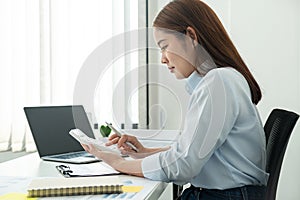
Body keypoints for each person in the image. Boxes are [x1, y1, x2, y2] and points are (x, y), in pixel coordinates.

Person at [81, 0, 269, 199]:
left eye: (164, 47)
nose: (162, 59)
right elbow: (189, 153)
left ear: (190, 36)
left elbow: (183, 165)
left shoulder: (219, 81)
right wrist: (144, 152)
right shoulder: (223, 80)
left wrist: (118, 164)